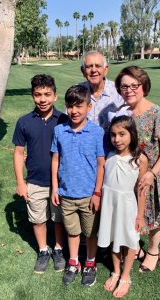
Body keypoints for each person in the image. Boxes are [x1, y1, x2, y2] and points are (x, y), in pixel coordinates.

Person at [114, 66, 160, 272]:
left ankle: (153, 251)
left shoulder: (156, 113)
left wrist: (152, 173)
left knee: (154, 215)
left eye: (134, 85)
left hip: (152, 175)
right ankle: (135, 247)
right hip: (130, 176)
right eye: (124, 86)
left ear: (144, 86)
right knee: (132, 213)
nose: (129, 90)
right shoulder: (125, 114)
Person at [12, 74, 69, 273]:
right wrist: (21, 181)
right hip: (35, 180)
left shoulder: (64, 119)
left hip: (60, 181)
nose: (42, 99)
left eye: (47, 94)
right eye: (38, 95)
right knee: (38, 218)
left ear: (55, 96)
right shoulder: (24, 122)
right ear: (32, 95)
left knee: (59, 218)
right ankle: (44, 250)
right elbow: (19, 152)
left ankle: (59, 249)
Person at [51, 85, 106, 287]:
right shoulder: (60, 130)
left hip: (89, 195)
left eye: (79, 106)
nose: (74, 111)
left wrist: (98, 192)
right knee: (72, 232)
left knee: (90, 232)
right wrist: (55, 188)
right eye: (70, 106)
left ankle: (90, 262)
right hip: (66, 194)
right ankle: (73, 261)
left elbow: (101, 164)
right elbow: (55, 160)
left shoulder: (97, 132)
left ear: (89, 107)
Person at [98, 115, 148, 298]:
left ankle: (126, 276)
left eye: (122, 134)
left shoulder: (140, 159)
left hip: (128, 206)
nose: (117, 139)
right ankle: (116, 271)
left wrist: (140, 216)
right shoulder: (109, 155)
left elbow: (142, 190)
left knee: (129, 240)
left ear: (132, 134)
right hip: (110, 204)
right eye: (113, 135)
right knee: (113, 238)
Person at [80, 50, 124, 130]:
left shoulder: (119, 91)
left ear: (105, 70)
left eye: (98, 66)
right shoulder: (77, 91)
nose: (93, 70)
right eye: (89, 66)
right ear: (83, 71)